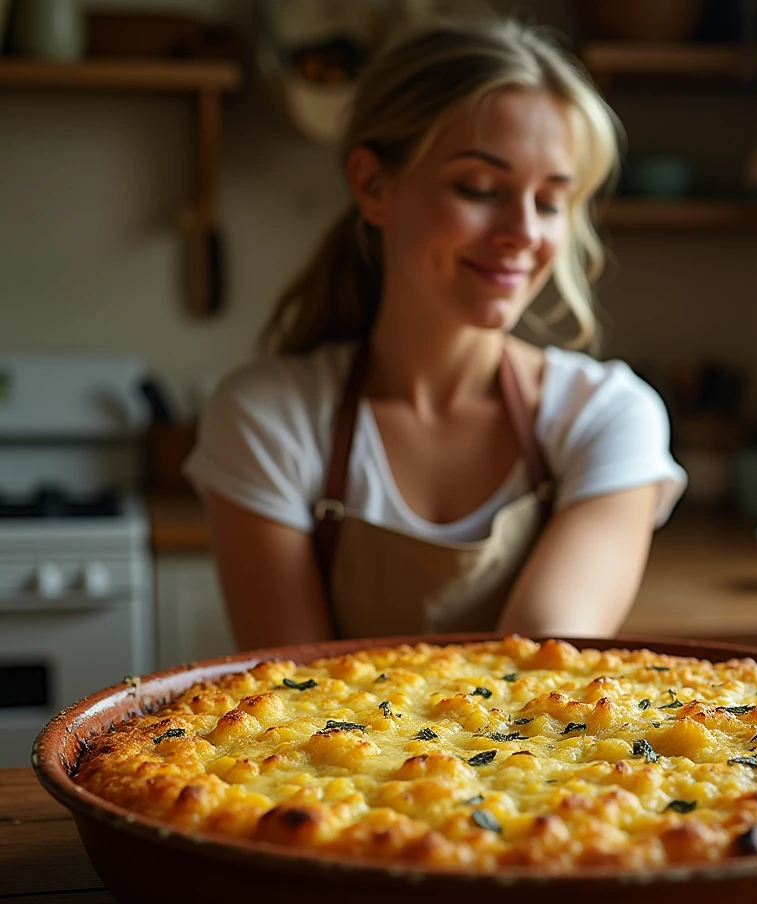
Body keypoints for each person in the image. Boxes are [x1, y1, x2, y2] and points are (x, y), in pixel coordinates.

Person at [184, 17, 687, 649]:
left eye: (551, 201)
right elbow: (289, 700)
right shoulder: (270, 419)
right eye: (479, 187)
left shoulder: (607, 417)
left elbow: (537, 685)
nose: (525, 233)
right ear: (372, 185)